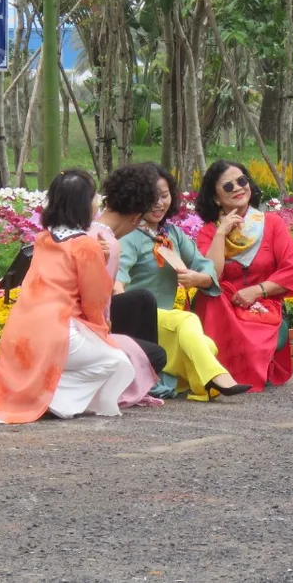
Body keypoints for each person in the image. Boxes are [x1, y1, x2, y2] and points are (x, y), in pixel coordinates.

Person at [0, 169, 135, 424]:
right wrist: (101, 329)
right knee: (118, 362)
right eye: (94, 198)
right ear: (83, 204)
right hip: (57, 333)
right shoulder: (85, 245)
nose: (97, 204)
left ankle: (43, 397)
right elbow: (95, 301)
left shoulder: (42, 239)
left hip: (19, 331)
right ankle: (54, 401)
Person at [115, 163, 251, 399]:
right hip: (140, 324)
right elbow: (117, 283)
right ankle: (218, 378)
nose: (159, 203)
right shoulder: (129, 237)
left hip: (167, 325)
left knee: (207, 346)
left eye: (164, 196)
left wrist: (201, 278)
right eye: (151, 197)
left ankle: (203, 388)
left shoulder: (172, 234)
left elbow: (205, 265)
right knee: (187, 319)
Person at [194, 160, 293, 391]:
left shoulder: (272, 224)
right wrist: (220, 234)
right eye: (227, 186)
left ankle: (239, 376)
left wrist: (258, 290)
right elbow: (210, 277)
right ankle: (218, 375)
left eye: (242, 181)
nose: (237, 188)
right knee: (212, 296)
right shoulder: (208, 232)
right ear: (215, 198)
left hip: (262, 302)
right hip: (223, 306)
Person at [92, 163, 167, 406]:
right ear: (136, 217)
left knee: (141, 299)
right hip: (85, 328)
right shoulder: (108, 243)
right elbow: (98, 307)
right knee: (157, 355)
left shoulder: (90, 229)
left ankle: (138, 375)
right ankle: (134, 379)